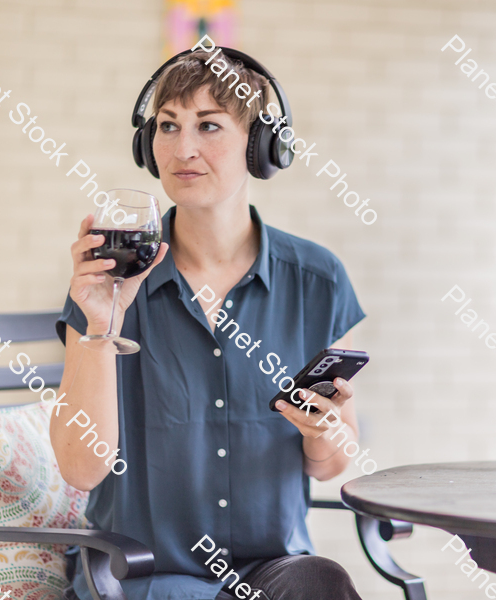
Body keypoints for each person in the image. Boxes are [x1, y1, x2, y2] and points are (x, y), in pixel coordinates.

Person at [50, 48, 366, 600]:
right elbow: (80, 469)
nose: (183, 148)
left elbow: (332, 465)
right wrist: (101, 328)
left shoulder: (317, 279)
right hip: (144, 577)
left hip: (275, 577)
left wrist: (322, 434)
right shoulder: (111, 278)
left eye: (208, 126)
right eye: (168, 125)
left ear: (261, 146)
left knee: (322, 580)